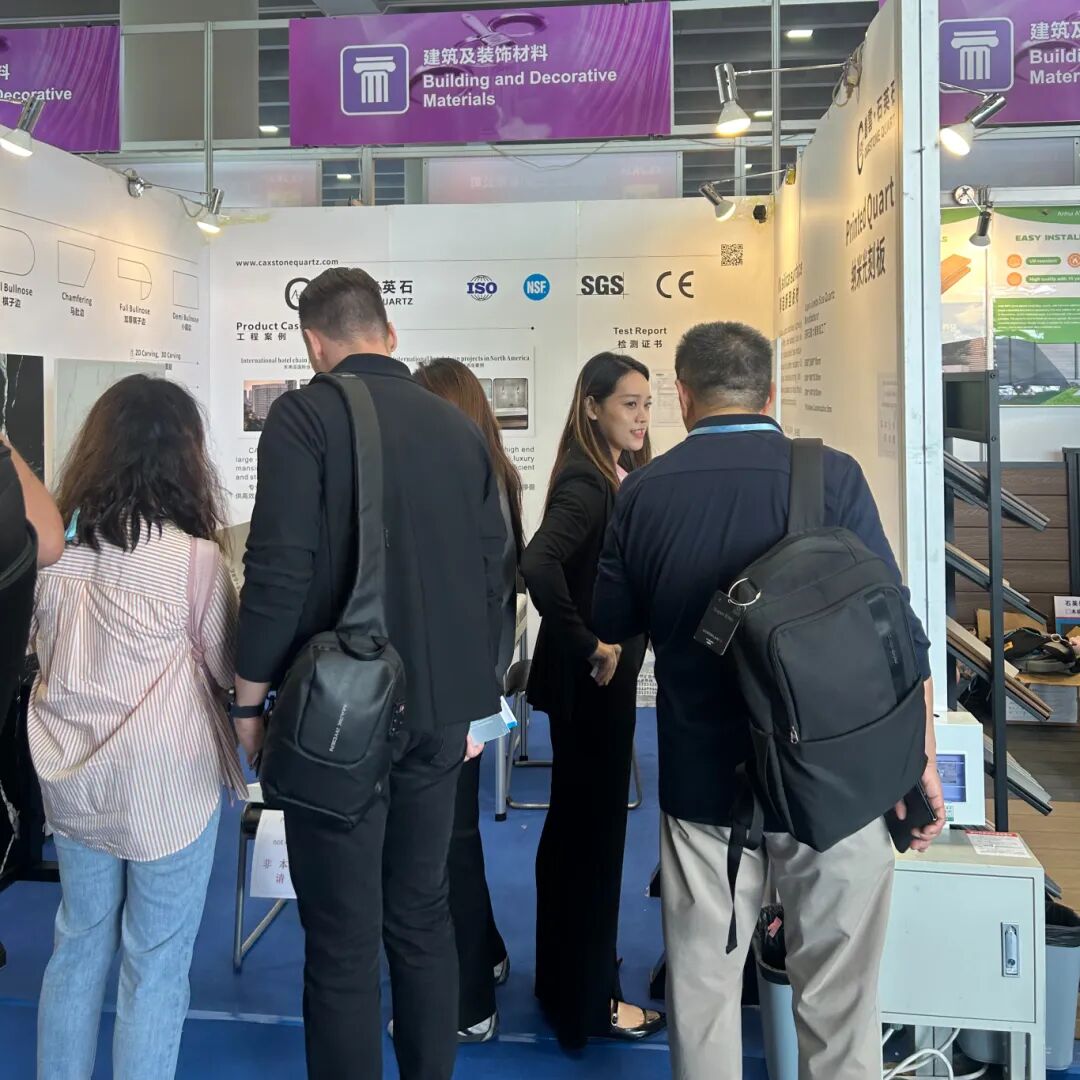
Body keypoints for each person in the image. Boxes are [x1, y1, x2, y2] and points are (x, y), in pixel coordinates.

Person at [592, 322, 946, 1080]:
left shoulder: (644, 491)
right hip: (833, 779)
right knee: (841, 1007)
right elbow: (896, 633)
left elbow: (611, 619)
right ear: (771, 392)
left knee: (703, 995)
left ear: (683, 396)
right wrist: (918, 760)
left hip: (703, 783)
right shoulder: (833, 476)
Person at [232, 269, 507, 1080]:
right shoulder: (457, 427)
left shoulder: (303, 417)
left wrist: (248, 703)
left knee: (343, 942)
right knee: (421, 919)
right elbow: (494, 574)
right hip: (441, 715)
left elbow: (278, 572)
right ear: (389, 335)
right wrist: (476, 705)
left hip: (337, 720)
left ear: (313, 343)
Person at [27, 376, 245, 1080]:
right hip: (167, 790)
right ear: (186, 457)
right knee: (155, 962)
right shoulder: (195, 560)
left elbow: (35, 649)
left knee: (77, 942)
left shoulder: (56, 551)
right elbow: (227, 670)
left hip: (73, 780)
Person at [521, 351, 664, 1048]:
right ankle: (592, 1003)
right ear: (592, 407)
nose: (641, 417)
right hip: (593, 688)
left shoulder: (607, 471)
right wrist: (590, 644)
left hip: (590, 690)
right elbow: (537, 561)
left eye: (647, 403)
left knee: (576, 836)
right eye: (628, 404)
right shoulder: (587, 480)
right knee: (594, 843)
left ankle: (570, 980)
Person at [413, 357, 522, 1043]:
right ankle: (488, 955)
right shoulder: (494, 477)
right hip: (473, 689)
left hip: (455, 696)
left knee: (447, 848)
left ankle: (469, 1005)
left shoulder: (459, 486)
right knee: (457, 839)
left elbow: (467, 604)